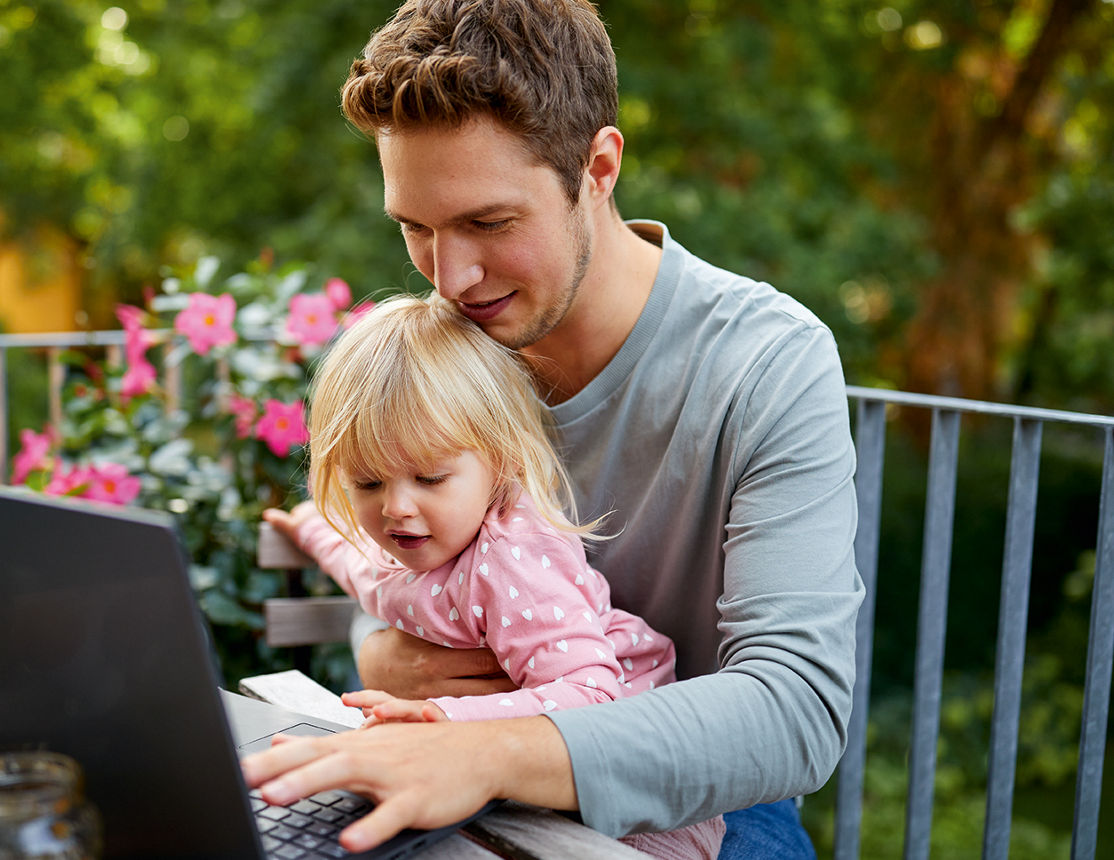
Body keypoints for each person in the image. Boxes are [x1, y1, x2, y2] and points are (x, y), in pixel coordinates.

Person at [241, 1, 865, 857]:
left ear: (598, 167)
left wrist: (486, 750)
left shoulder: (767, 364)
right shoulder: (448, 345)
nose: (451, 277)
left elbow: (797, 710)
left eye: (488, 224)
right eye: (415, 229)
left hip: (694, 807)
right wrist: (386, 654)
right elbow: (400, 565)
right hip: (455, 758)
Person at [262, 292, 726, 859]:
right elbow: (357, 564)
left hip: (638, 797)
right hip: (511, 779)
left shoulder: (512, 560)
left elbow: (593, 697)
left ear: (499, 461)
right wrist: (308, 525)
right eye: (367, 484)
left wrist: (446, 716)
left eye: (430, 478)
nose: (396, 508)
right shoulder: (402, 547)